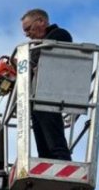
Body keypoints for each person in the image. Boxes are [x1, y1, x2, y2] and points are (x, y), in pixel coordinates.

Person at [20, 8, 72, 159]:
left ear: (41, 22)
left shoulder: (59, 34)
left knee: (55, 143)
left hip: (49, 95)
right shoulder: (38, 44)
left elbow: (40, 58)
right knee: (43, 148)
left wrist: (27, 62)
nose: (27, 34)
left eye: (28, 29)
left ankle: (63, 166)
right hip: (38, 97)